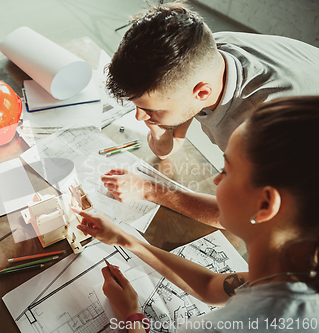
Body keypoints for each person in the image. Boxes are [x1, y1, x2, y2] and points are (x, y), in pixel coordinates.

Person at [74, 96, 319, 332]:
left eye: (227, 171)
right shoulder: (294, 272)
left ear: (265, 205)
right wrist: (123, 238)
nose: (216, 178)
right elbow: (211, 287)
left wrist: (131, 317)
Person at [102, 2, 319, 228]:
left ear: (202, 92)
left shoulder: (262, 127)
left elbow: (238, 216)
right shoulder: (201, 57)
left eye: (150, 109)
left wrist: (149, 189)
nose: (138, 117)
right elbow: (166, 149)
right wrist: (158, 122)